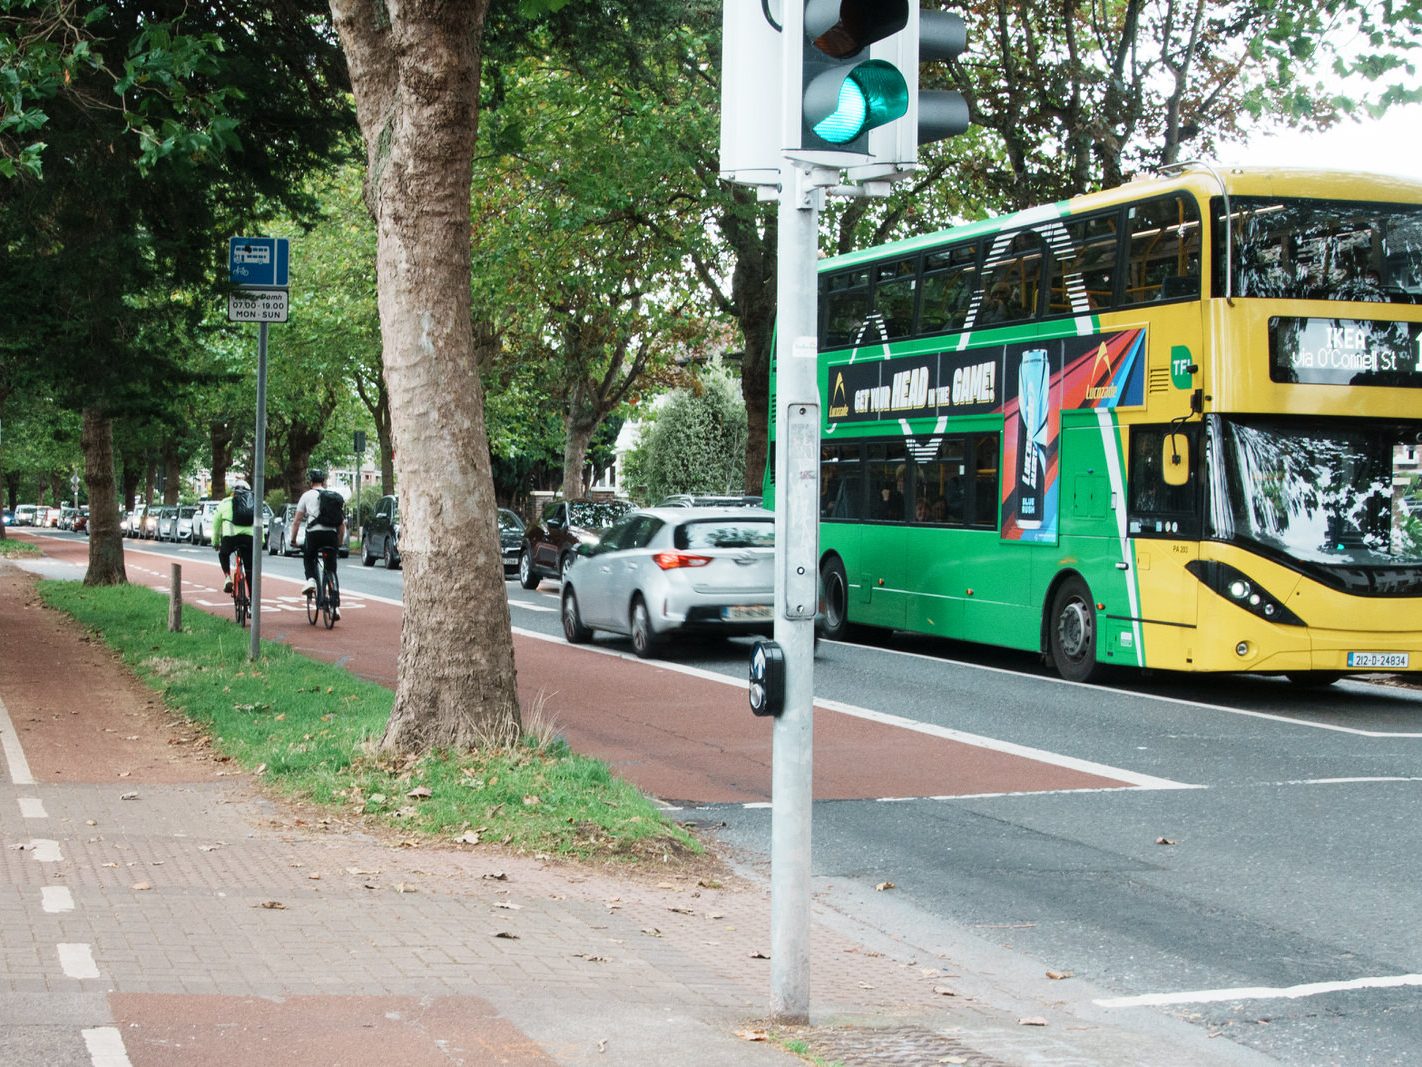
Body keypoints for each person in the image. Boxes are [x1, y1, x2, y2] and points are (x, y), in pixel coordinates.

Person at [291, 468, 346, 620]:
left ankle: (311, 580)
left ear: (310, 482)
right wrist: (339, 543)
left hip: (314, 534)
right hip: (331, 536)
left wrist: (293, 540)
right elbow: (342, 525)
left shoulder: (306, 496)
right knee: (331, 569)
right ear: (323, 481)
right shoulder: (332, 497)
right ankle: (335, 608)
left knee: (309, 556)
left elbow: (296, 521)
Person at [213, 477, 255, 597]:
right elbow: (259, 525)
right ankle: (252, 601)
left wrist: (215, 542)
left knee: (223, 554)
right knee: (249, 570)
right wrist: (260, 542)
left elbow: (216, 524)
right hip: (249, 539)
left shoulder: (225, 502)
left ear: (233, 492)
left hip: (230, 538)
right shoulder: (253, 504)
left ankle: (227, 577)